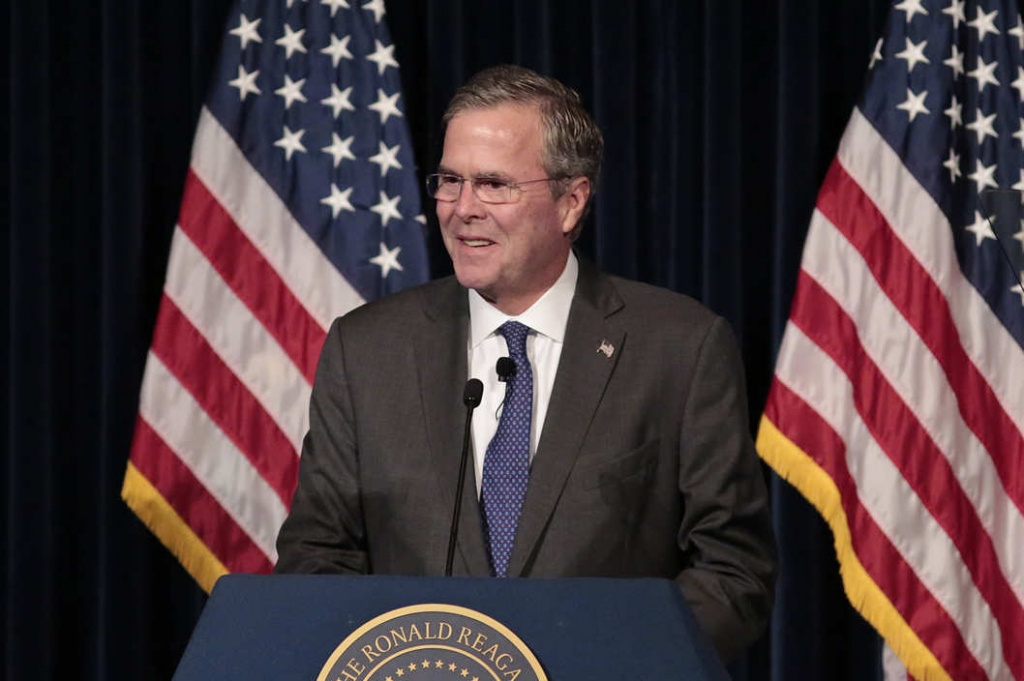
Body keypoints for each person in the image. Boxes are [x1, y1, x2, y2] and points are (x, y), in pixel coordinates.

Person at [275, 64, 775, 663]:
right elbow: (316, 557)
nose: (462, 209)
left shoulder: (680, 348)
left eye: (493, 184)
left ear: (571, 202)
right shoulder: (367, 350)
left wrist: (607, 667)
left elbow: (733, 571)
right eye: (449, 180)